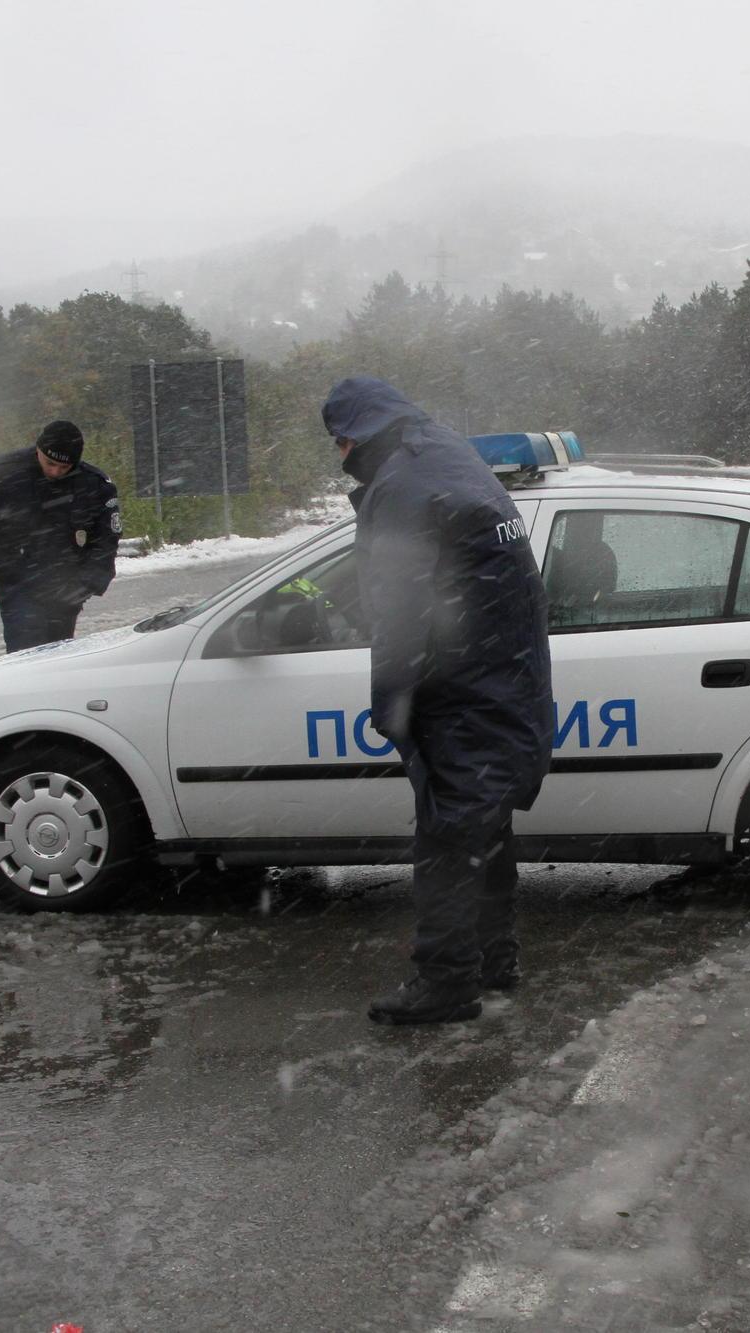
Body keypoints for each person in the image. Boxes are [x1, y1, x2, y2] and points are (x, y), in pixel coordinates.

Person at [321, 376, 555, 1026]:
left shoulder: (401, 486)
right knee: (486, 830)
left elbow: (400, 613)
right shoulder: (449, 455)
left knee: (449, 842)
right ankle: (493, 957)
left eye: (341, 442)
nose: (340, 453)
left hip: (464, 689)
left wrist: (389, 701)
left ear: (356, 435)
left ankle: (447, 982)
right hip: (510, 679)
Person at [0, 420, 122, 652]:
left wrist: (86, 584)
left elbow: (106, 542)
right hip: (17, 582)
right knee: (25, 657)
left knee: (57, 660)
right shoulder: (2, 474)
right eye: (50, 463)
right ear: (38, 451)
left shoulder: (94, 485)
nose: (55, 472)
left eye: (64, 468)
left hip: (66, 586)